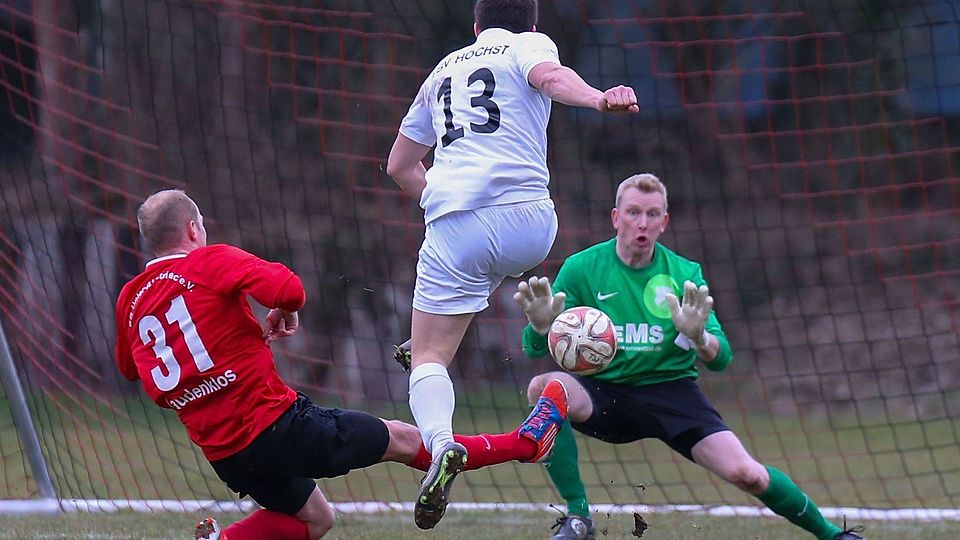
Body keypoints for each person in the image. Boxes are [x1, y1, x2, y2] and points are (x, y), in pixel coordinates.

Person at [113, 190, 570, 540]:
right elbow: (289, 289)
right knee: (407, 437)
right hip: (279, 427)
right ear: (194, 229)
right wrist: (280, 309)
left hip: (227, 455)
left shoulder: (130, 299)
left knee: (316, 520)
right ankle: (526, 444)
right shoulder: (209, 261)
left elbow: (131, 368)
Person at [385, 0, 638, 529]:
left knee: (430, 356)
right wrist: (598, 99)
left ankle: (442, 445)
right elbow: (550, 76)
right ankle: (471, 313)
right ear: (534, 22)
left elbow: (399, 166)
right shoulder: (529, 44)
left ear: (475, 27)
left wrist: (443, 200)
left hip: (456, 225)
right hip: (531, 226)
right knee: (485, 271)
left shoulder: (441, 70)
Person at [514, 174, 866, 540]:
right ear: (616, 217)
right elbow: (532, 349)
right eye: (634, 212)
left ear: (664, 222)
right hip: (602, 393)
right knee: (544, 386)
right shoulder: (582, 267)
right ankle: (578, 517)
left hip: (671, 393)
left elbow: (721, 359)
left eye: (652, 214)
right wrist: (541, 327)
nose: (642, 223)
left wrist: (699, 335)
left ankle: (831, 535)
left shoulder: (684, 274)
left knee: (748, 474)